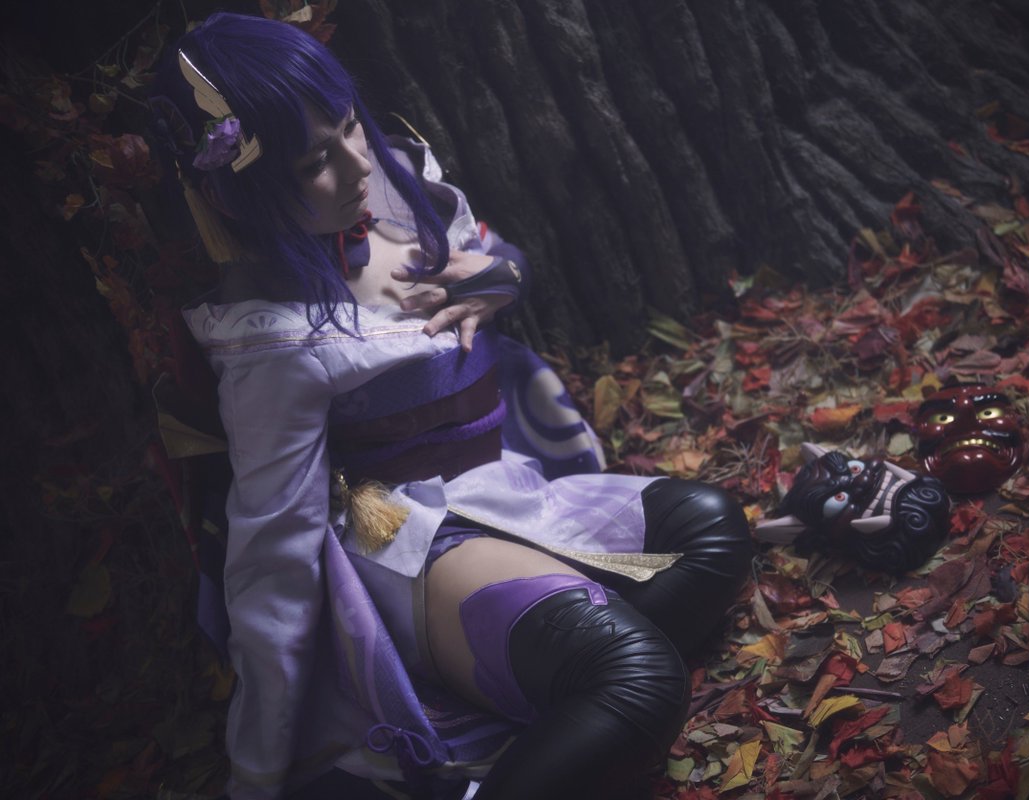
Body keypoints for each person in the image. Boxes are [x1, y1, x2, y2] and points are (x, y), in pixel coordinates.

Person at [150, 12, 751, 800]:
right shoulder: (269, 338)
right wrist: (258, 766)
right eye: (314, 162)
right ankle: (584, 678)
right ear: (234, 196)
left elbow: (497, 259)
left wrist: (502, 280)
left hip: (504, 490)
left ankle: (556, 677)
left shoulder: (397, 186)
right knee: (636, 679)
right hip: (409, 545)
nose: (356, 163)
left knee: (714, 528)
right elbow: (275, 544)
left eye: (350, 126)